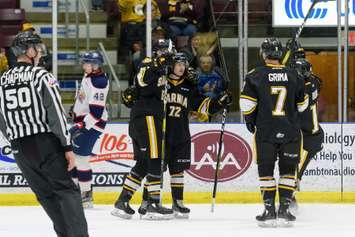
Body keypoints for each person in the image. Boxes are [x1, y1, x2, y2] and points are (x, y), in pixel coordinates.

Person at [0, 31, 89, 236]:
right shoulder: (41, 75)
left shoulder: (3, 80)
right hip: (45, 143)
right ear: (27, 50)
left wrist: (14, 139)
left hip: (20, 150)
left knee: (46, 195)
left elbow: (2, 119)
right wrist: (67, 146)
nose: (40, 52)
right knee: (66, 191)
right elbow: (55, 113)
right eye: (36, 48)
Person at [239, 37, 308, 227]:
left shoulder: (255, 75)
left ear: (263, 53)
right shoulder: (295, 74)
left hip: (266, 132)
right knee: (287, 172)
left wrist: (250, 120)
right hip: (291, 132)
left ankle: (269, 211)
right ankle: (284, 211)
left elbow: (246, 105)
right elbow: (303, 107)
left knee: (266, 172)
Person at [111, 39, 176, 220]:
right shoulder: (148, 63)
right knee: (155, 158)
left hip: (144, 118)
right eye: (169, 52)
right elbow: (142, 81)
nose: (170, 55)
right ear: (161, 52)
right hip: (147, 118)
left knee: (143, 163)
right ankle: (153, 204)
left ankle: (122, 201)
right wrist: (158, 63)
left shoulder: (162, 68)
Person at [69, 51, 109, 208]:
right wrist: (75, 109)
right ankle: (76, 192)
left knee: (81, 159)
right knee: (73, 157)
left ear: (94, 65)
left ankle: (85, 195)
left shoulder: (99, 82)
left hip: (92, 124)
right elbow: (84, 96)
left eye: (86, 62)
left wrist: (80, 126)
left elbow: (96, 113)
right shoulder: (89, 76)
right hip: (85, 121)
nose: (83, 65)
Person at [291, 58, 324, 210]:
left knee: (295, 172)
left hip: (308, 137)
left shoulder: (305, 89)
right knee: (293, 169)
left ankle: (290, 200)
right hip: (310, 135)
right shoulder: (314, 82)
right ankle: (290, 197)